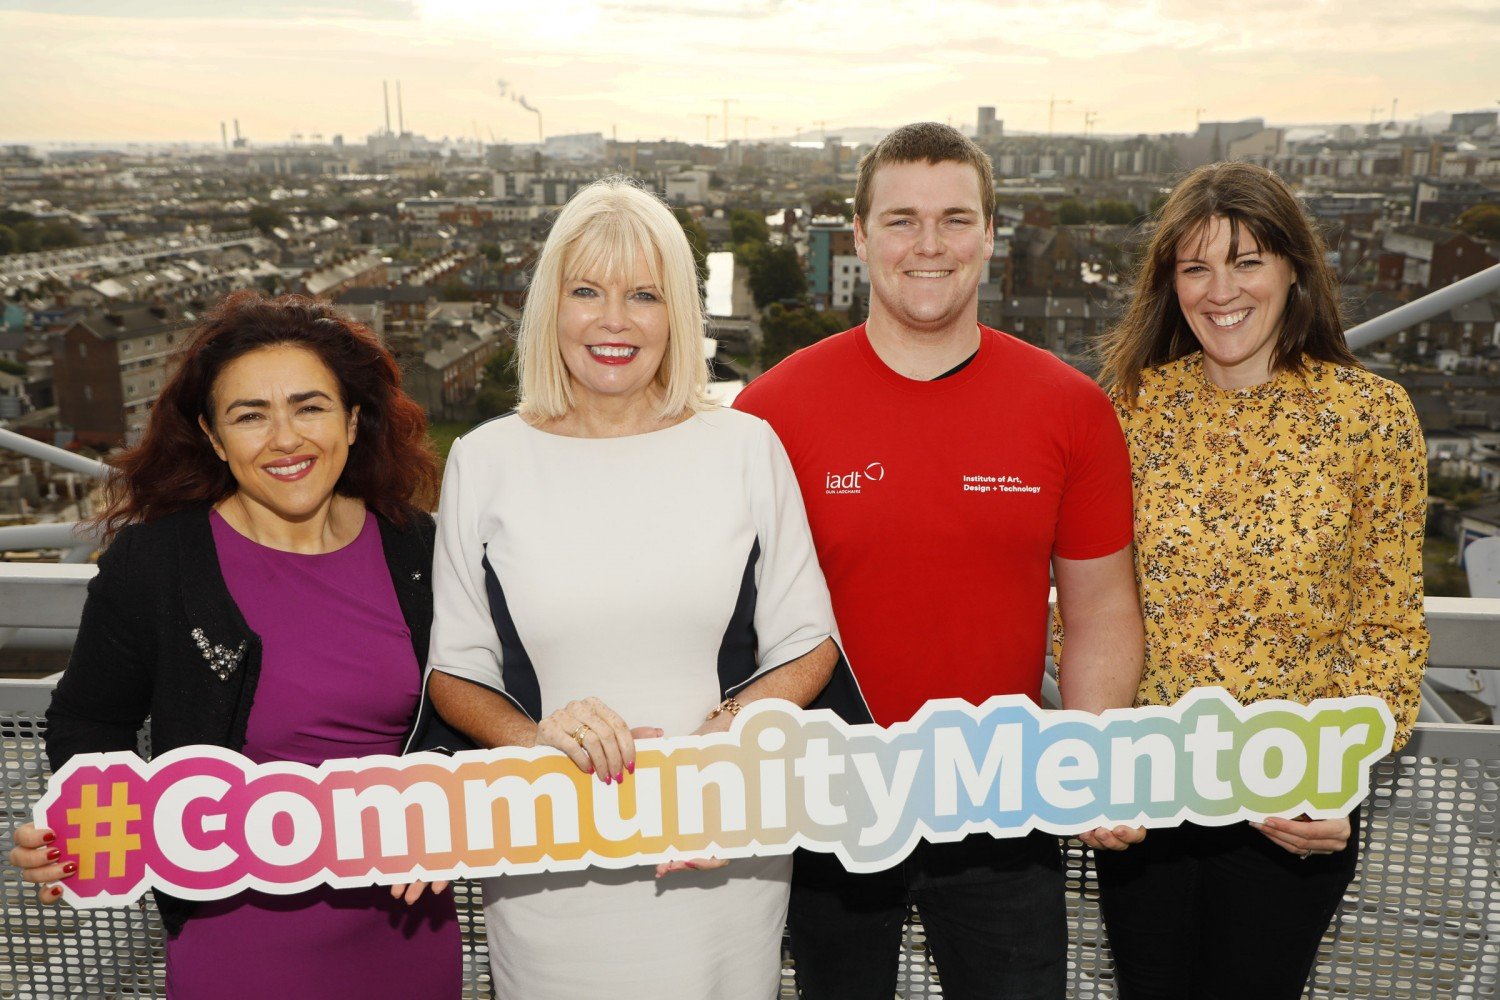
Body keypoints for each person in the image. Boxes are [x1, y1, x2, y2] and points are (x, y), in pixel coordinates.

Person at [421, 176, 862, 1000]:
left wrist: (730, 730)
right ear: (551, 307)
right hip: (549, 854)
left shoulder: (746, 446)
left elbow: (809, 641)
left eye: (644, 294)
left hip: (719, 845)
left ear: (679, 315)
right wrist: (537, 745)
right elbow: (455, 669)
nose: (614, 319)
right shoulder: (484, 460)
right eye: (586, 290)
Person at [734, 122, 1146, 1000]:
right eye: (901, 220)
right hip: (826, 806)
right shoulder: (770, 413)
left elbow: (1104, 611)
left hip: (1003, 805)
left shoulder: (1071, 410)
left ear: (991, 235)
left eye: (956, 219)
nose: (929, 246)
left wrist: (1097, 761)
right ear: (858, 235)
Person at [7, 292, 460, 999]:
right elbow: (89, 718)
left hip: (406, 929)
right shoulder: (158, 565)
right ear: (215, 438)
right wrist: (92, 833)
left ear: (352, 420)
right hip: (238, 938)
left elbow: (469, 708)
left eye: (309, 407)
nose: (285, 439)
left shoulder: (421, 548)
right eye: (250, 416)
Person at [1089, 160, 1429, 999]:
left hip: (1292, 805)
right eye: (1195, 266)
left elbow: (1388, 628)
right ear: (1170, 285)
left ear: (1292, 271)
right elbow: (1090, 603)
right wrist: (1094, 760)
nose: (1220, 290)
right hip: (1150, 796)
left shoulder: (1371, 418)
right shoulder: (1127, 409)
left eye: (1246, 261)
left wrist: (1341, 772)